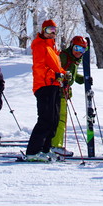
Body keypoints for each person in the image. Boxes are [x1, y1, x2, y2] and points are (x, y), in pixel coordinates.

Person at [25, 19, 67, 162]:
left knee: (54, 119)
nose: (51, 34)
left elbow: (56, 67)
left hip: (54, 85)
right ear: (43, 31)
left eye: (54, 31)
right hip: (44, 86)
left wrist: (63, 74)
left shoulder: (52, 48)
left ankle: (45, 149)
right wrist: (55, 75)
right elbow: (39, 67)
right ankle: (32, 151)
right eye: (49, 30)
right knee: (45, 119)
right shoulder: (40, 46)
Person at [50, 36, 88, 157]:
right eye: (77, 48)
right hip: (58, 91)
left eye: (82, 50)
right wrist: (63, 77)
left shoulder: (73, 59)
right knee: (60, 119)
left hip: (63, 92)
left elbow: (72, 74)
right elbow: (57, 70)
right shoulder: (64, 56)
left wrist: (83, 79)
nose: (78, 52)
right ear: (71, 46)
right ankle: (56, 145)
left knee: (59, 118)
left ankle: (52, 144)